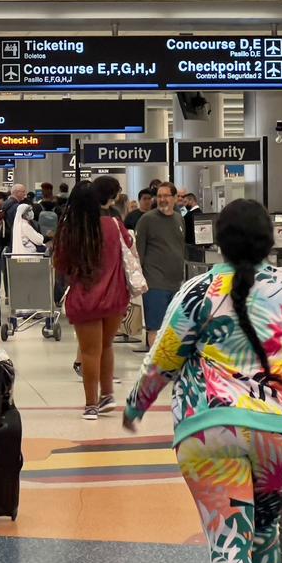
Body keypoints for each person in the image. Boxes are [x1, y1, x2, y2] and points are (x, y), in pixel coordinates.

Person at [124, 199, 282, 563]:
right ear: (270, 241)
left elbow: (165, 357)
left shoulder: (198, 290)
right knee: (266, 538)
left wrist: (136, 405)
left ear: (219, 241)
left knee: (229, 545)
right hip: (280, 434)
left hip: (210, 430)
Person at [54, 177, 131, 420]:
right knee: (107, 346)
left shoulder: (70, 231)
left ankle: (90, 405)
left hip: (85, 297)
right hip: (115, 296)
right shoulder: (115, 226)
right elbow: (128, 247)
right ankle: (107, 394)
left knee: (89, 352)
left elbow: (62, 264)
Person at [135, 182, 185, 349]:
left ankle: (169, 366)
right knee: (155, 327)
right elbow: (138, 253)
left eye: (166, 196)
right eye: (160, 196)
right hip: (155, 283)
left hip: (176, 284)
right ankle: (155, 367)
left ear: (175, 198)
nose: (162, 199)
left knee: (173, 328)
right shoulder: (147, 220)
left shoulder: (179, 219)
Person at [183, 192, 205, 263]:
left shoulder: (188, 216)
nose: (184, 204)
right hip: (200, 247)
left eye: (185, 202)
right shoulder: (201, 213)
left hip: (190, 248)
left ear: (191, 200)